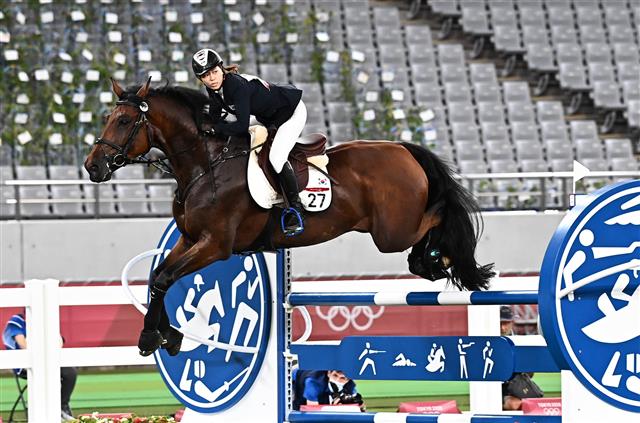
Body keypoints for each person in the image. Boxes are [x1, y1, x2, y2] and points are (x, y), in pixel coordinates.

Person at [191, 48, 308, 237]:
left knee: (276, 158)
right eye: (205, 75)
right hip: (267, 116)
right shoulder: (213, 89)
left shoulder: (236, 85)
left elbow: (240, 125)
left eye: (214, 72)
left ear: (221, 68)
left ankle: (296, 208)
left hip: (290, 112)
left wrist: (215, 129)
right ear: (201, 79)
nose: (211, 78)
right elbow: (213, 119)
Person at [2, 312, 77, 421]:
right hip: (25, 364)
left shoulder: (46, 319)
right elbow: (23, 344)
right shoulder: (17, 320)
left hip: (48, 361)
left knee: (70, 373)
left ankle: (61, 406)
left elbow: (58, 341)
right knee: (43, 374)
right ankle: (37, 409)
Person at [500, 306, 543, 410]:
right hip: (495, 388)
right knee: (514, 404)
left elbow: (530, 373)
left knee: (534, 404)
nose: (503, 328)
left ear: (512, 322)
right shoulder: (488, 339)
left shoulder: (519, 341)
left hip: (515, 386)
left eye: (506, 323)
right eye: (500, 323)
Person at [292, 369, 366, 411]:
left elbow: (362, 408)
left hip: (323, 388)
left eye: (342, 378)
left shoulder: (350, 385)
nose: (337, 380)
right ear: (329, 373)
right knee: (295, 408)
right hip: (293, 379)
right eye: (335, 375)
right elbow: (312, 412)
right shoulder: (313, 383)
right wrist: (332, 408)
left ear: (348, 380)